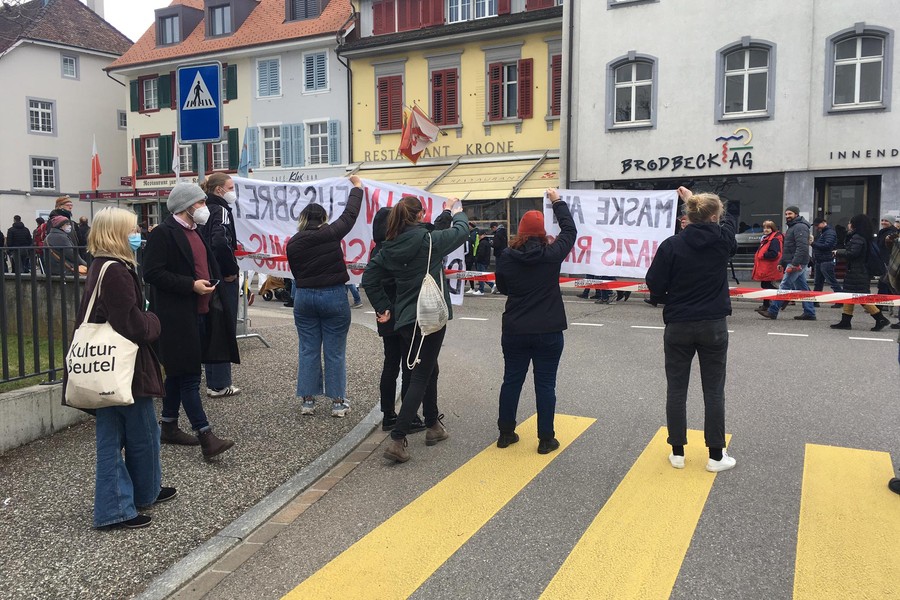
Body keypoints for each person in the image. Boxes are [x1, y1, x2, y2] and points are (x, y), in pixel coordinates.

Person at [64, 207, 175, 529]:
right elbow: (133, 325)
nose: (138, 233)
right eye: (133, 229)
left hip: (110, 367)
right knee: (130, 434)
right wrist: (154, 321)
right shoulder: (115, 271)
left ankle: (145, 492)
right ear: (117, 234)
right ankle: (116, 509)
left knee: (138, 431)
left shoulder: (103, 265)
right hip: (123, 368)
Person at [362, 195, 468, 463]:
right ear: (420, 215)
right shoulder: (428, 241)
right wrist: (457, 212)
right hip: (430, 315)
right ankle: (398, 439)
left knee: (428, 368)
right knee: (421, 375)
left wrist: (383, 307)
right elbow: (462, 231)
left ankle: (433, 425)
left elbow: (369, 279)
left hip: (407, 319)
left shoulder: (388, 247)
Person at [645, 187, 738, 473]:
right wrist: (694, 200)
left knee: (676, 389)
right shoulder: (723, 241)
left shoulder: (671, 245)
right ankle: (715, 455)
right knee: (713, 391)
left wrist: (669, 294)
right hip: (713, 324)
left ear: (688, 216)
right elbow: (729, 218)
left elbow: (655, 285)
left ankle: (677, 452)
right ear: (713, 216)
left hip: (679, 323)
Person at [143, 182, 237, 459]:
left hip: (200, 311)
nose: (204, 208)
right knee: (189, 377)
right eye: (200, 203)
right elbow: (152, 273)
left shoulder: (197, 231)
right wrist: (190, 285)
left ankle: (169, 425)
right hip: (176, 316)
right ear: (186, 206)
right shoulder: (164, 233)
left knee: (177, 374)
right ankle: (206, 435)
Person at [494, 189, 577, 454]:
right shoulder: (551, 255)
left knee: (512, 381)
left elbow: (503, 287)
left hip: (516, 329)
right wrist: (557, 202)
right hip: (549, 330)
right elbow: (570, 231)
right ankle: (545, 439)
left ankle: (506, 433)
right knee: (545, 384)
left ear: (519, 232)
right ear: (542, 233)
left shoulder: (506, 257)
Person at [286, 176, 363, 418]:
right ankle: (338, 403)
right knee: (335, 351)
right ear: (323, 219)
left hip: (304, 297)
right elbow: (350, 215)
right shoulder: (330, 234)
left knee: (308, 349)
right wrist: (357, 189)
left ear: (303, 220)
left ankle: (308, 401)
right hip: (333, 296)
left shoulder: (293, 243)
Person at [371, 206, 426, 433]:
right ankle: (408, 416)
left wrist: (382, 307)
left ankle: (387, 414)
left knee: (390, 364)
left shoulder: (377, 251)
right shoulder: (397, 248)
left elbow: (371, 282)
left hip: (384, 314)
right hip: (403, 313)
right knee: (409, 365)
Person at [199, 173, 242, 398]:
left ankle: (213, 381)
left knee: (212, 326)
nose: (233, 191)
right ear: (219, 190)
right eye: (231, 187)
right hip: (221, 276)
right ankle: (221, 383)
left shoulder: (203, 210)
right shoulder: (222, 210)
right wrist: (229, 271)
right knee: (224, 327)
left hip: (205, 274)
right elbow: (220, 240)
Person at [830, 214, 890, 331]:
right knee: (849, 295)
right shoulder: (864, 236)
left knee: (861, 298)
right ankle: (845, 321)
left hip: (857, 271)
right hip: (858, 270)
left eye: (850, 222)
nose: (848, 225)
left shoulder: (857, 237)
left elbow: (853, 253)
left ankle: (880, 318)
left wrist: (838, 252)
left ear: (855, 225)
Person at [756, 206, 816, 321]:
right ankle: (810, 312)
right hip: (794, 261)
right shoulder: (793, 227)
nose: (787, 216)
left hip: (796, 263)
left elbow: (802, 248)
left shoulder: (799, 227)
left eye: (790, 214)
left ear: (796, 214)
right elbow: (787, 248)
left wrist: (794, 264)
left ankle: (772, 311)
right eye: (786, 214)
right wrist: (782, 262)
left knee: (784, 286)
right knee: (803, 288)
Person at [751, 220, 783, 310]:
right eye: (764, 227)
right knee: (766, 285)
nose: (765, 229)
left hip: (769, 267)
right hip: (767, 267)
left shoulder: (773, 240)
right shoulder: (767, 238)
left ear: (772, 228)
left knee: (766, 285)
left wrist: (762, 255)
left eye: (768, 228)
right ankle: (767, 304)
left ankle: (780, 298)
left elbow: (774, 253)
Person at [811, 217, 842, 299]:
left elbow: (827, 246)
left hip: (826, 260)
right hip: (821, 260)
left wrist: (813, 244)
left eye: (817, 225)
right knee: (818, 283)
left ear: (824, 222)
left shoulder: (829, 233)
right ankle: (815, 300)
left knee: (831, 281)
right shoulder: (824, 232)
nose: (816, 227)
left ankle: (841, 298)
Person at [490, 221, 507, 294]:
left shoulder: (497, 234)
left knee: (498, 271)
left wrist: (491, 244)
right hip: (503, 253)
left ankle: (498, 287)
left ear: (494, 227)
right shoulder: (504, 233)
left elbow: (496, 245)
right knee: (503, 270)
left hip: (498, 254)